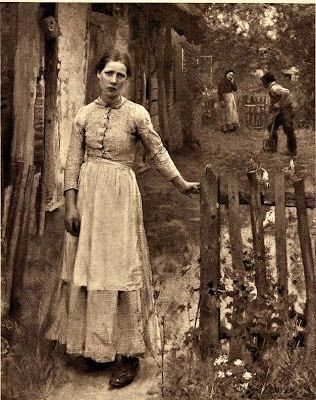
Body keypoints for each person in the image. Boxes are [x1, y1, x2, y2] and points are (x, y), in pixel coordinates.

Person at [46, 48, 199, 389]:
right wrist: (70, 205)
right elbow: (72, 162)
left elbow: (157, 151)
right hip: (88, 196)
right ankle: (93, 347)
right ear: (97, 75)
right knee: (87, 268)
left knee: (118, 268)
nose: (114, 81)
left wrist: (180, 183)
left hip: (119, 196)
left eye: (121, 75)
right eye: (109, 73)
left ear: (127, 81)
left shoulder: (136, 115)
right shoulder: (84, 115)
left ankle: (126, 355)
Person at [261, 72, 297, 156]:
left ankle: (292, 151)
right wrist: (271, 109)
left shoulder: (274, 87)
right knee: (271, 127)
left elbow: (286, 92)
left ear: (267, 81)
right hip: (280, 111)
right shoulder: (272, 88)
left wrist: (279, 104)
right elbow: (274, 100)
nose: (263, 84)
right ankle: (272, 148)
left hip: (286, 110)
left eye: (263, 82)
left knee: (288, 128)